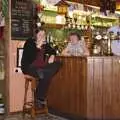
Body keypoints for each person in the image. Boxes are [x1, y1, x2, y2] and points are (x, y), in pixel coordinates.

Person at [21, 28, 62, 108]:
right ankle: (39, 97)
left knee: (57, 64)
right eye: (40, 35)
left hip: (42, 68)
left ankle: (43, 74)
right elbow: (30, 57)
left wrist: (52, 56)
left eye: (44, 35)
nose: (42, 37)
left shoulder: (45, 44)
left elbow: (53, 50)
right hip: (30, 67)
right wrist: (38, 46)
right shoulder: (29, 42)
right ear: (35, 35)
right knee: (47, 74)